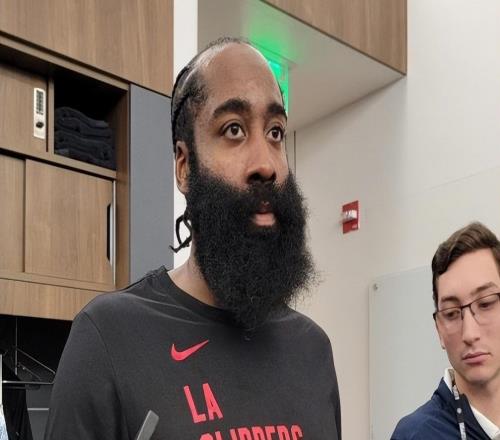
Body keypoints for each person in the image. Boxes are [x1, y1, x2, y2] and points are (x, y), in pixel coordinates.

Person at [44, 37, 341, 440]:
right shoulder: (109, 339)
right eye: (234, 129)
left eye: (275, 132)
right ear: (184, 166)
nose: (266, 164)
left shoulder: (312, 350)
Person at [391, 222, 500, 439]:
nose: (469, 334)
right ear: (439, 329)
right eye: (451, 313)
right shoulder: (415, 435)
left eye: (485, 304)